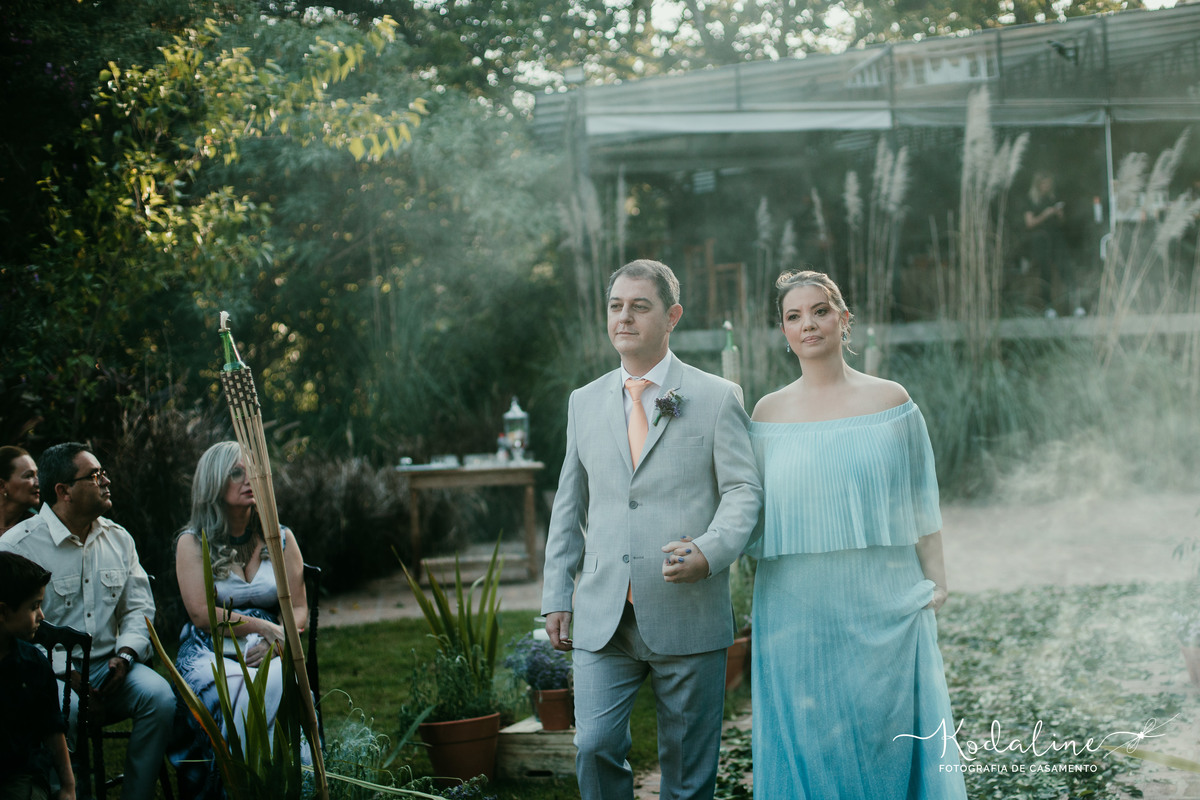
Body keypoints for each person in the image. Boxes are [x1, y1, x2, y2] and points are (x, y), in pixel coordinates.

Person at [541, 259, 762, 800]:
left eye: (640, 306)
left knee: (688, 774)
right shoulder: (584, 402)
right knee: (593, 746)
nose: (625, 317)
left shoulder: (715, 396)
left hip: (688, 610)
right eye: (616, 306)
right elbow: (568, 505)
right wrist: (555, 595)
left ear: (672, 316)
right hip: (602, 616)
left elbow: (742, 491)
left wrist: (709, 552)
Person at [748, 269, 966, 798]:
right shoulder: (766, 413)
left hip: (882, 597)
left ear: (844, 320)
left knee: (884, 736)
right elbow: (745, 510)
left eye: (819, 310)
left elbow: (921, 499)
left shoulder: (891, 402)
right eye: (793, 316)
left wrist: (936, 581)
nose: (808, 324)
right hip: (794, 606)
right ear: (784, 332)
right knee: (808, 737)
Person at [0, 442, 175, 800]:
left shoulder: (118, 538)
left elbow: (139, 608)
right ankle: (66, 791)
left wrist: (125, 657)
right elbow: (15, 630)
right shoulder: (17, 545)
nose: (106, 481)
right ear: (63, 491)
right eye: (94, 476)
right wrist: (72, 677)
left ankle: (136, 796)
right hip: (52, 674)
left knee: (160, 697)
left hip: (113, 671)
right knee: (69, 711)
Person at [171, 441, 308, 799]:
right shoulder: (191, 542)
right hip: (209, 648)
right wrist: (262, 625)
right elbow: (202, 614)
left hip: (272, 646)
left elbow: (298, 608)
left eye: (251, 471)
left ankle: (261, 784)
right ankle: (240, 785)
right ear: (213, 484)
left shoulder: (281, 537)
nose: (248, 479)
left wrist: (278, 638)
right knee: (232, 688)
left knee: (276, 678)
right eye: (236, 473)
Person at [0, 552, 76, 800]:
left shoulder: (33, 664)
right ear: (3, 612)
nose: (42, 617)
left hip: (20, 773)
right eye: (34, 607)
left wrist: (68, 787)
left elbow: (52, 729)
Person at [1022, 171, 1069, 316]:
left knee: (1065, 270)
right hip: (1040, 240)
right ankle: (1048, 307)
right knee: (1045, 272)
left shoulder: (1053, 198)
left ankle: (1069, 307)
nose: (1046, 186)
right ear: (1038, 184)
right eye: (1044, 184)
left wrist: (1059, 214)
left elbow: (1063, 223)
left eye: (1049, 183)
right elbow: (1029, 223)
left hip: (1055, 238)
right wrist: (1045, 215)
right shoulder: (1031, 200)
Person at [0, 446, 40, 537]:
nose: (38, 483)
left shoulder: (39, 529)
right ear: (2, 486)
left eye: (37, 475)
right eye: (29, 476)